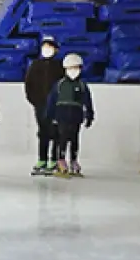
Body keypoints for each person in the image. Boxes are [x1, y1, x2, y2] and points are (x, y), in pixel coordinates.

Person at [45, 53, 95, 177]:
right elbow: (52, 101)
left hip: (76, 116)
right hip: (62, 116)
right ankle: (61, 160)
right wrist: (49, 117)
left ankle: (73, 160)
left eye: (76, 67)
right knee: (62, 138)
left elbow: (88, 101)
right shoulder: (60, 84)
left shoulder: (82, 85)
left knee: (74, 139)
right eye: (71, 67)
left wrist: (89, 115)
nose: (74, 70)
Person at [24, 35, 65, 176]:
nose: (47, 49)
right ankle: (42, 159)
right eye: (45, 46)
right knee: (43, 132)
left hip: (56, 106)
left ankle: (54, 159)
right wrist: (35, 101)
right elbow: (28, 85)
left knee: (56, 133)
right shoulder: (35, 65)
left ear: (56, 49)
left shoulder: (60, 67)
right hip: (40, 105)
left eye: (50, 46)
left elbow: (63, 86)